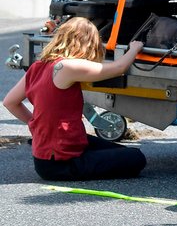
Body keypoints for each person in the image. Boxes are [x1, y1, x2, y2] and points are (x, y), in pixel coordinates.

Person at [2, 17, 147, 181]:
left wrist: (35, 126)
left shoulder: (38, 65)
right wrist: (135, 48)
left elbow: (10, 102)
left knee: (121, 152)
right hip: (62, 164)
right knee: (136, 157)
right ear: (85, 43)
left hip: (44, 159)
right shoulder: (67, 66)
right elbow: (118, 68)